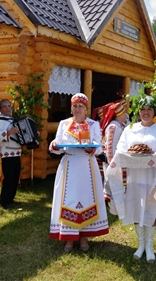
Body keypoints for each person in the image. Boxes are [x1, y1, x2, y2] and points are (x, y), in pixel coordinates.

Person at [106, 95, 156, 262]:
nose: (146, 112)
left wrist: (155, 155)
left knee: (151, 211)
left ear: (154, 111)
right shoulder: (130, 129)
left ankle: (150, 246)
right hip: (134, 178)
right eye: (143, 109)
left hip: (153, 179)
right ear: (138, 111)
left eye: (149, 109)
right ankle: (140, 244)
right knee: (136, 209)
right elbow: (121, 149)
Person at [48, 93, 109, 252]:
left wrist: (92, 148)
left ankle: (83, 237)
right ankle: (69, 237)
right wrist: (54, 145)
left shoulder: (93, 124)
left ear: (86, 109)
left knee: (86, 199)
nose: (77, 109)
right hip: (69, 166)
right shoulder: (64, 123)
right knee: (68, 199)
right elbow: (58, 144)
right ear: (71, 108)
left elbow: (99, 148)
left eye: (80, 106)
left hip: (87, 166)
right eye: (75, 106)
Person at [0, 99, 21, 209]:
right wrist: (10, 132)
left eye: (9, 106)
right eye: (5, 106)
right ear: (0, 109)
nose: (8, 108)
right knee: (9, 178)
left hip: (16, 152)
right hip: (7, 153)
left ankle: (10, 199)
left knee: (15, 178)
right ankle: (4, 201)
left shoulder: (13, 120)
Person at [99, 99, 129, 201]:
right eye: (123, 112)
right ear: (119, 114)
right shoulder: (113, 126)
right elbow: (111, 146)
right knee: (113, 181)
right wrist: (113, 163)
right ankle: (112, 202)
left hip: (120, 159)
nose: (126, 114)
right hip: (114, 160)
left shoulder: (119, 125)